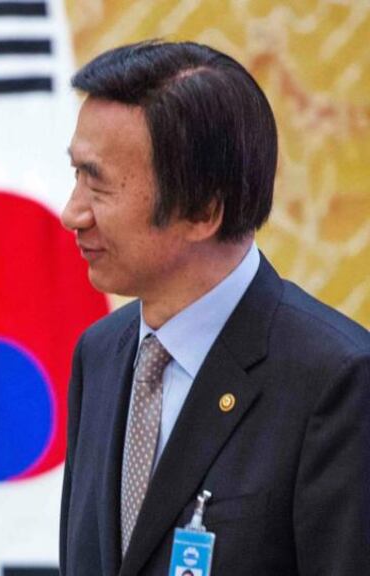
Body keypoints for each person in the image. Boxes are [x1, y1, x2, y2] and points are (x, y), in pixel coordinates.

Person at [58, 40, 369, 575]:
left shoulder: (337, 382)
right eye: (76, 175)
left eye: (99, 185)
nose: (71, 213)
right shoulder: (100, 354)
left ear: (202, 211)